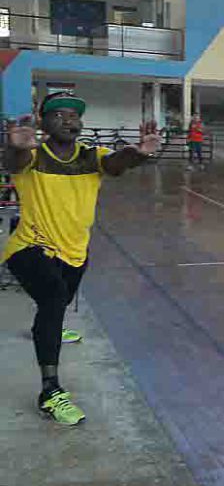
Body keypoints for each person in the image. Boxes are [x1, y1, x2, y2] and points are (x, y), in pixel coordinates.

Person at [3, 91, 161, 425]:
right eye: (58, 115)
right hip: (29, 247)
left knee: (59, 303)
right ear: (43, 123)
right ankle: (50, 391)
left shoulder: (92, 157)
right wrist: (15, 147)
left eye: (73, 115)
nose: (68, 120)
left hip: (75, 250)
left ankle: (47, 329)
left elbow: (116, 163)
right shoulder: (32, 156)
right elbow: (13, 164)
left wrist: (139, 154)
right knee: (54, 298)